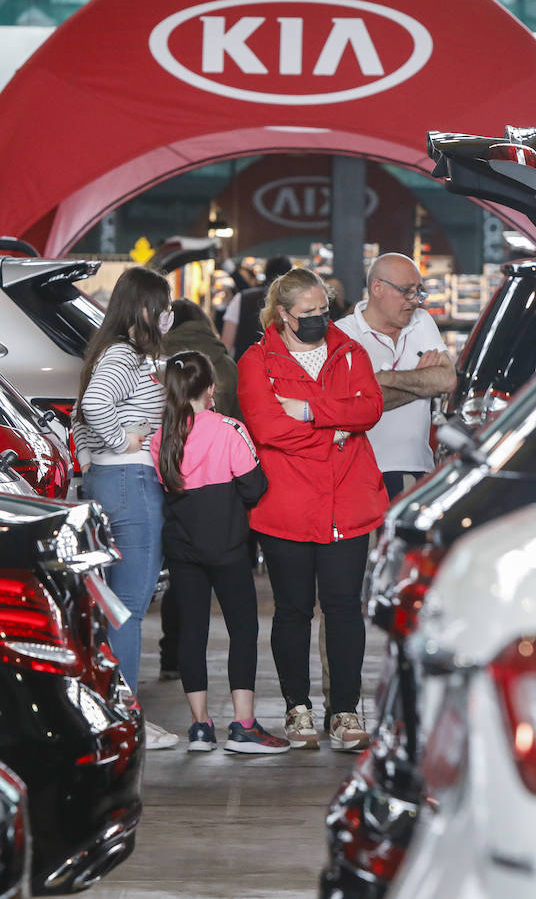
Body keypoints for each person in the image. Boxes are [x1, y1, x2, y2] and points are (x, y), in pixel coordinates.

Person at [237, 267, 386, 751]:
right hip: (288, 505)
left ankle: (344, 710)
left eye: (325, 309)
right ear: (283, 313)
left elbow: (369, 409)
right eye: (310, 313)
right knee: (293, 610)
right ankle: (297, 707)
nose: (322, 319)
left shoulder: (349, 351)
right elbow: (266, 428)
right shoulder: (256, 361)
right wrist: (335, 435)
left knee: (344, 609)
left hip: (349, 501)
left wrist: (307, 410)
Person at [150, 351, 291, 754]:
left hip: (181, 549)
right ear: (211, 388)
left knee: (192, 632)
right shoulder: (229, 429)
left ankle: (199, 727)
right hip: (228, 547)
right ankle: (243, 725)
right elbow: (254, 486)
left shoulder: (162, 435)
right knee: (242, 629)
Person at [72, 266, 179, 750]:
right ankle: (126, 719)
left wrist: (94, 457)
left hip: (109, 481)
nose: (168, 315)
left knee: (111, 607)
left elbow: (78, 419)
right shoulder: (126, 356)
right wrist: (121, 443)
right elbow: (94, 407)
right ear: (143, 308)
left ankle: (112, 713)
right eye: (164, 305)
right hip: (132, 482)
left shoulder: (108, 353)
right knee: (129, 609)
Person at [155, 298, 241, 682]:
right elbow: (239, 415)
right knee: (230, 584)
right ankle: (241, 698)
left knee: (180, 574)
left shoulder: (161, 362)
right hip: (223, 488)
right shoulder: (224, 363)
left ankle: (172, 656)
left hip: (173, 479)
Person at [336, 253, 457, 499]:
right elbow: (357, 405)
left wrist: (384, 378)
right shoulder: (343, 334)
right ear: (377, 287)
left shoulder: (421, 321)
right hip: (360, 475)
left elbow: (447, 380)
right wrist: (423, 381)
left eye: (419, 291)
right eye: (407, 291)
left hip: (418, 470)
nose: (415, 301)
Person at [222, 254, 293, 362]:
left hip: (244, 371)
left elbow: (226, 345)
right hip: (283, 373)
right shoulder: (295, 302)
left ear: (265, 273)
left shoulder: (242, 298)